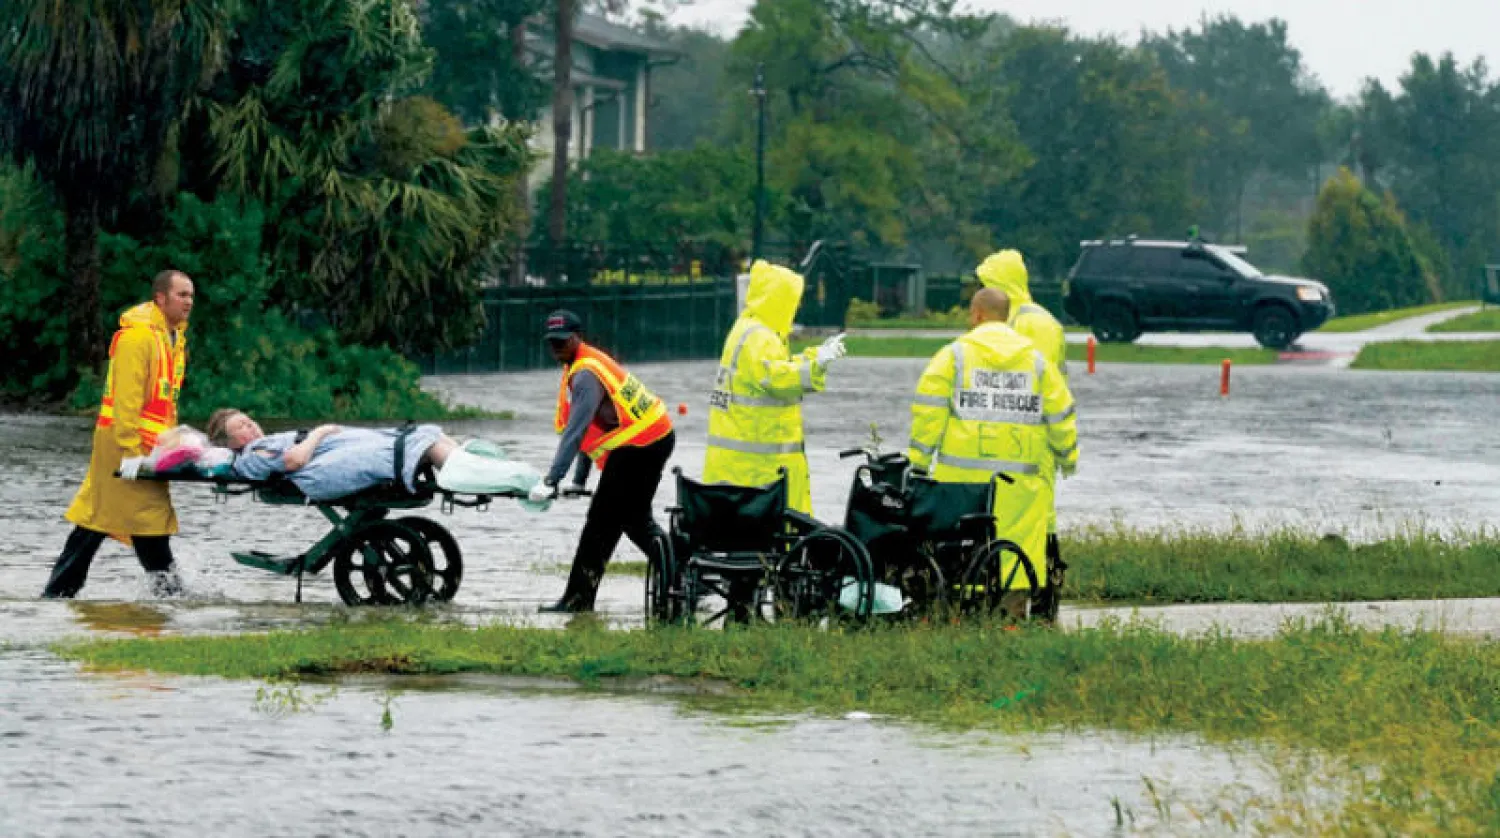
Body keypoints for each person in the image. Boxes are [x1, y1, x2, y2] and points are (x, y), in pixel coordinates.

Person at [905, 287, 1078, 619]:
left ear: (978, 315)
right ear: (1006, 316)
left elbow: (928, 411)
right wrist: (1067, 458)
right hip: (1020, 486)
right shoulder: (1037, 362)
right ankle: (1011, 617)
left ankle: (960, 613)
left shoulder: (954, 356)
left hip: (960, 482)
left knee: (960, 550)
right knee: (1017, 551)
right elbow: (1061, 414)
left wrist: (919, 464)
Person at [43, 270, 194, 599]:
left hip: (148, 449)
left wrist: (173, 444)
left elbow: (165, 404)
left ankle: (57, 597)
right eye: (182, 295)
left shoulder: (173, 339)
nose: (188, 302)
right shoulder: (138, 338)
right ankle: (173, 599)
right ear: (160, 298)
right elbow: (127, 402)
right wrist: (130, 454)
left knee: (112, 522)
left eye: (191, 296)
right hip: (123, 446)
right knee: (129, 522)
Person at [528, 310, 676, 613]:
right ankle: (680, 576)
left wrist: (551, 480)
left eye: (562, 341)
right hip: (649, 440)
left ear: (577, 338)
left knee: (601, 522)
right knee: (630, 520)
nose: (557, 348)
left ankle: (578, 599)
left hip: (642, 445)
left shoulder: (584, 375)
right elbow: (593, 433)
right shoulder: (582, 363)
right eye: (552, 343)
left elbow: (576, 431)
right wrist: (579, 480)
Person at [702, 259, 846, 514]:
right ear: (779, 299)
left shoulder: (747, 329)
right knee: (771, 531)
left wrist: (814, 356)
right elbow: (778, 379)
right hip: (758, 464)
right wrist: (817, 365)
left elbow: (775, 368)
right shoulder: (760, 337)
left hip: (739, 460)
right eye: (793, 298)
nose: (797, 306)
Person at [975, 249, 1073, 621]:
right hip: (1021, 443)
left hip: (1035, 445)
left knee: (1041, 527)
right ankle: (1028, 605)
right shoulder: (1020, 320)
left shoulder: (1034, 324)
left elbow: (1036, 386)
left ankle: (1045, 608)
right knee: (1023, 525)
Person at [206, 410, 460, 502]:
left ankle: (474, 465)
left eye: (249, 421)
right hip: (320, 472)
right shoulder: (252, 456)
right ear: (229, 444)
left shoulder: (265, 442)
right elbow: (295, 461)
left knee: (426, 434)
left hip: (331, 453)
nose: (250, 426)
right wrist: (320, 432)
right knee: (419, 445)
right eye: (240, 427)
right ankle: (470, 472)